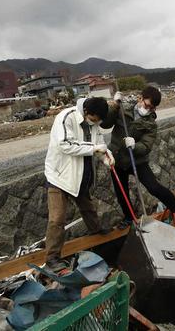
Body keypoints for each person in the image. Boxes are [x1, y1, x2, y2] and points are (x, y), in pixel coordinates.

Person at [44, 97, 115, 271]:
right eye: (94, 119)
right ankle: (52, 259)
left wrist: (107, 156)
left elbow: (100, 144)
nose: (96, 123)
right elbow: (65, 145)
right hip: (59, 176)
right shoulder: (66, 117)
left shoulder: (94, 122)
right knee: (57, 219)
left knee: (88, 208)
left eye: (98, 121)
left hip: (81, 174)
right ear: (87, 112)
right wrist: (94, 149)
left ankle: (96, 232)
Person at [101, 86, 175, 228]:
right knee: (122, 193)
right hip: (117, 159)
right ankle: (129, 218)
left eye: (152, 108)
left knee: (154, 187)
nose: (149, 109)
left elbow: (146, 146)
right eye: (147, 105)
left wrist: (135, 145)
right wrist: (114, 105)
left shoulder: (151, 124)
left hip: (137, 161)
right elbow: (105, 123)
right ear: (140, 98)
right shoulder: (122, 109)